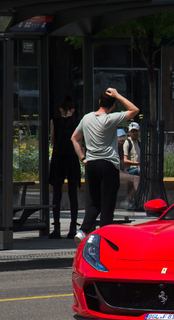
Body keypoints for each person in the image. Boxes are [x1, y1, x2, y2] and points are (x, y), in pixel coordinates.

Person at [71, 88, 140, 244]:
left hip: (91, 164)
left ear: (100, 102)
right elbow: (134, 110)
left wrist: (83, 158)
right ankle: (104, 239)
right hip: (108, 165)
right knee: (107, 204)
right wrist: (117, 95)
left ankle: (82, 231)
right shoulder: (110, 119)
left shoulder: (86, 118)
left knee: (95, 202)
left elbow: (74, 138)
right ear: (113, 105)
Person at [48, 95, 80, 239]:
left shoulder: (55, 121)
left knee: (57, 194)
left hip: (59, 158)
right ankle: (73, 228)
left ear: (61, 109)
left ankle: (56, 228)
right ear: (73, 110)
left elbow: (53, 140)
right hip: (72, 158)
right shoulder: (77, 122)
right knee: (73, 193)